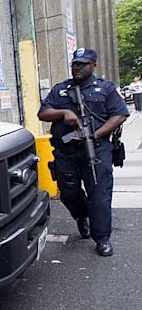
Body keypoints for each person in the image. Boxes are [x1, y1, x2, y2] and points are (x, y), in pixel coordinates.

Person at [38, 48, 129, 257]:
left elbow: (120, 114)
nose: (77, 67)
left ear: (93, 65)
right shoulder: (60, 90)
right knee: (68, 193)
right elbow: (43, 113)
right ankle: (82, 216)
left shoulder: (104, 89)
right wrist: (64, 112)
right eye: (75, 64)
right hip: (65, 152)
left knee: (99, 196)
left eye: (82, 64)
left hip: (96, 149)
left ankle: (102, 238)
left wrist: (96, 135)